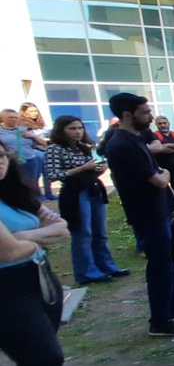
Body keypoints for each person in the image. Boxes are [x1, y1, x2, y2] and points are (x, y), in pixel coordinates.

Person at [0, 159, 97, 366]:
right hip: (7, 290)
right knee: (43, 358)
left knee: (36, 356)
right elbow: (9, 253)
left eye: (0, 156)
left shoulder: (14, 193)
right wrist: (34, 238)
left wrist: (22, 238)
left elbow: (62, 229)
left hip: (38, 278)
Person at [103, 93, 174, 336]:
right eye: (145, 112)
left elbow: (159, 178)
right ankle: (160, 321)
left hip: (160, 210)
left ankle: (173, 307)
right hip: (147, 215)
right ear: (127, 114)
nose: (151, 116)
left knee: (168, 261)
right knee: (159, 267)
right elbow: (158, 179)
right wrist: (166, 173)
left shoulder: (136, 139)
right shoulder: (123, 144)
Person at [44, 115, 129, 285]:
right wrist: (82, 168)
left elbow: (91, 169)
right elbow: (53, 175)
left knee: (100, 232)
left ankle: (107, 267)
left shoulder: (84, 147)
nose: (77, 132)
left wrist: (99, 169)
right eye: (72, 128)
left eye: (80, 128)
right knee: (83, 232)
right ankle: (86, 272)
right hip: (74, 193)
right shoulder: (54, 149)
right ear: (61, 130)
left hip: (94, 189)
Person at [0, 109, 49, 202]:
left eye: (16, 117)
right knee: (15, 181)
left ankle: (33, 199)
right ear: (3, 118)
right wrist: (7, 153)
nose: (14, 119)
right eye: (11, 117)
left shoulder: (24, 129)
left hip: (30, 159)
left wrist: (33, 136)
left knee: (32, 181)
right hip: (12, 161)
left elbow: (44, 144)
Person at [145, 116, 174, 203]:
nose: (163, 125)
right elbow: (158, 149)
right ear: (156, 124)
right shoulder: (153, 136)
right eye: (160, 123)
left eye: (164, 123)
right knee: (162, 192)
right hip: (160, 169)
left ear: (168, 123)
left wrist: (166, 145)